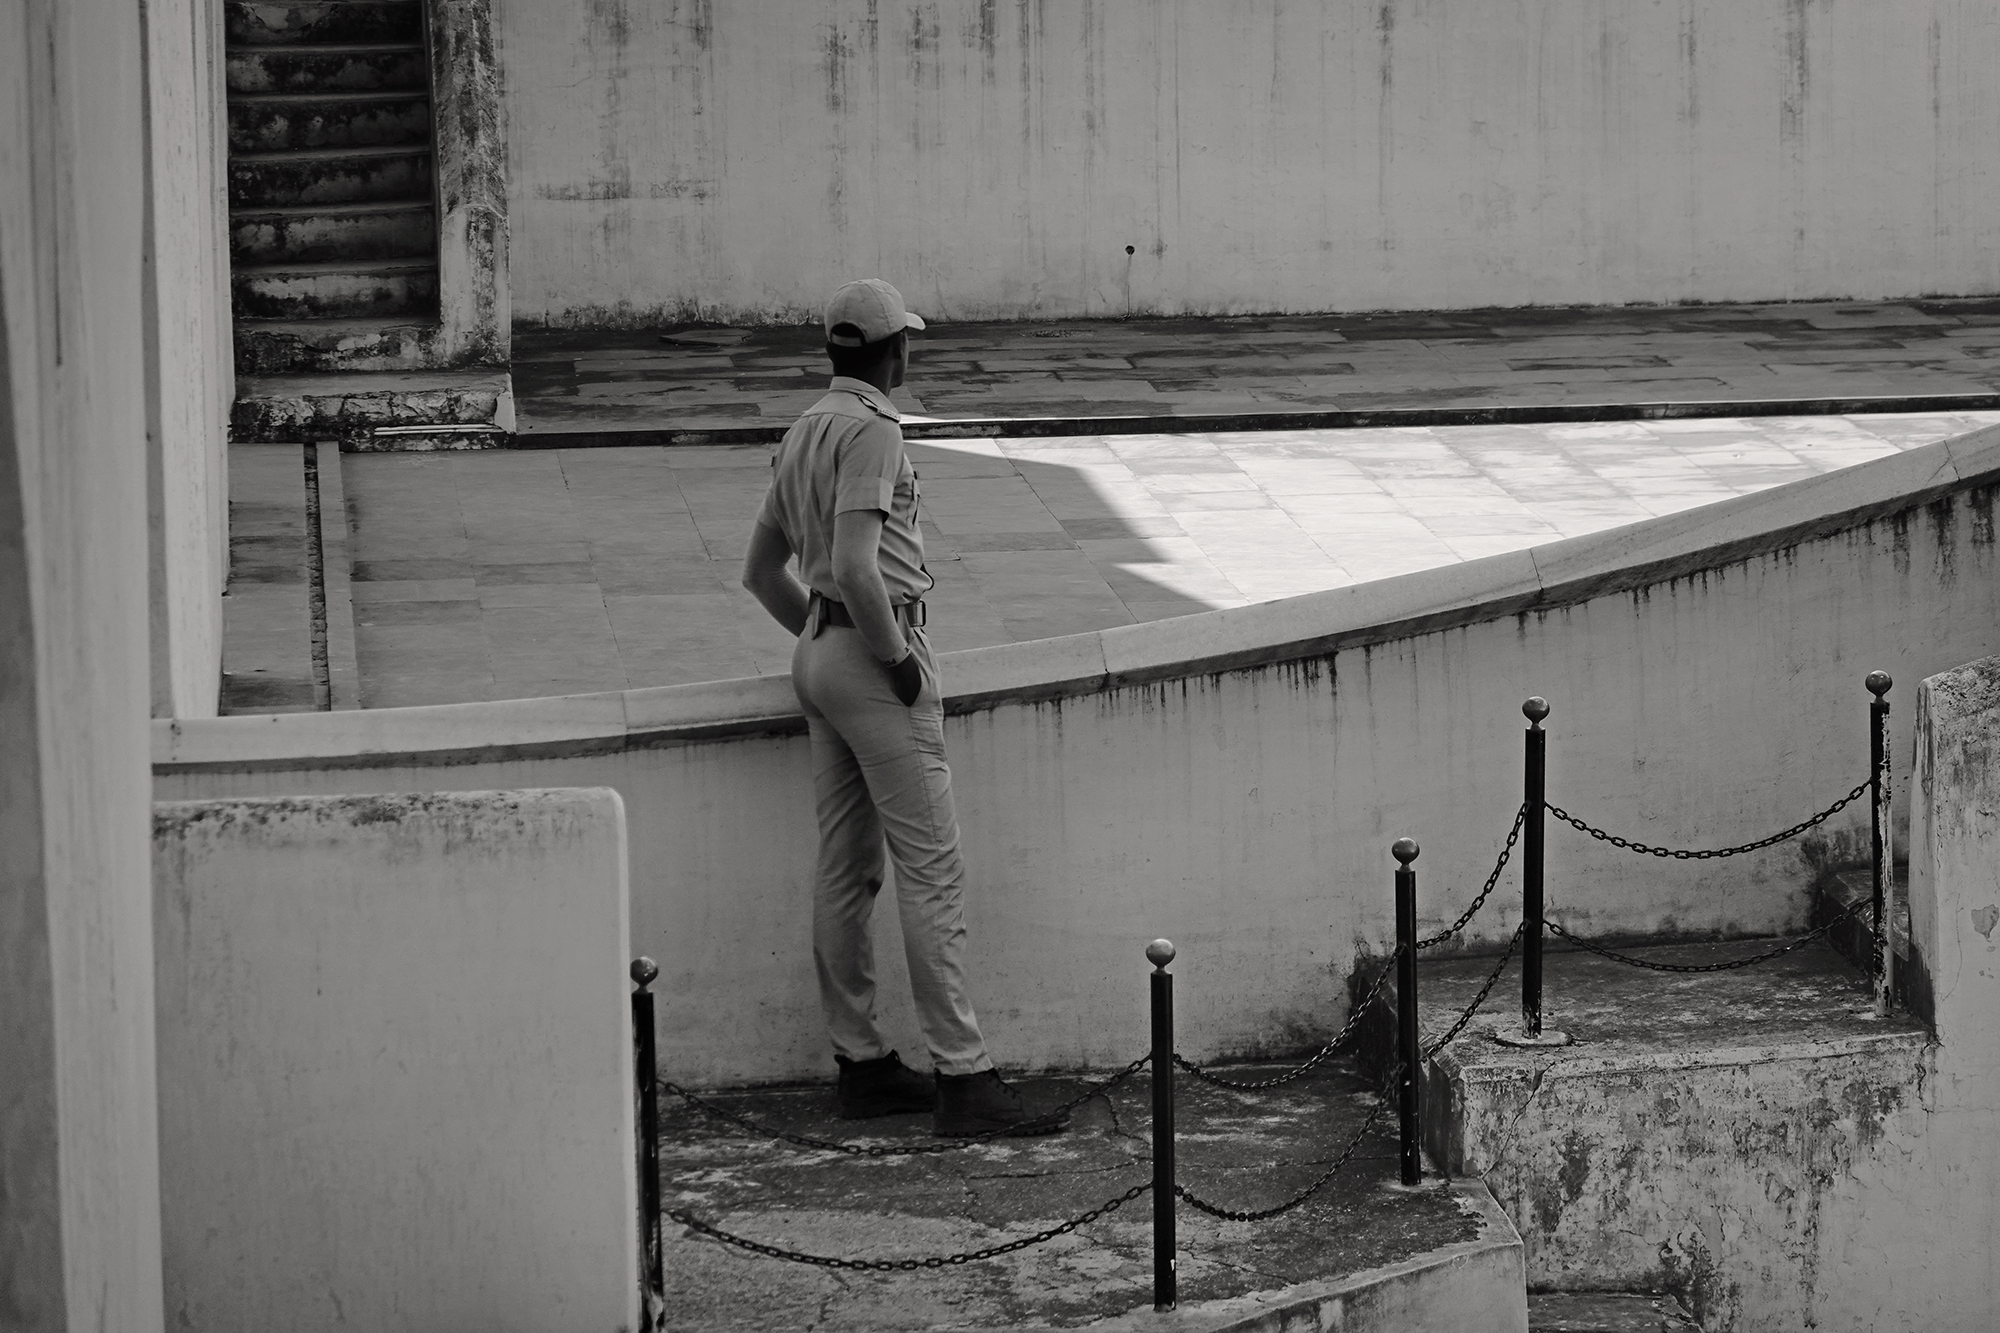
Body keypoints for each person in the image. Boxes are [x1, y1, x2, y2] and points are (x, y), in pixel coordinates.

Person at [741, 277, 1065, 1137]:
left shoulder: (806, 426)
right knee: (931, 873)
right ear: (896, 352)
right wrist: (893, 662)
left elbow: (760, 570)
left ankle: (862, 1062)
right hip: (873, 655)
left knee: (846, 868)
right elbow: (855, 563)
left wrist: (821, 641)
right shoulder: (874, 430)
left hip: (817, 652)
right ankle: (963, 1074)